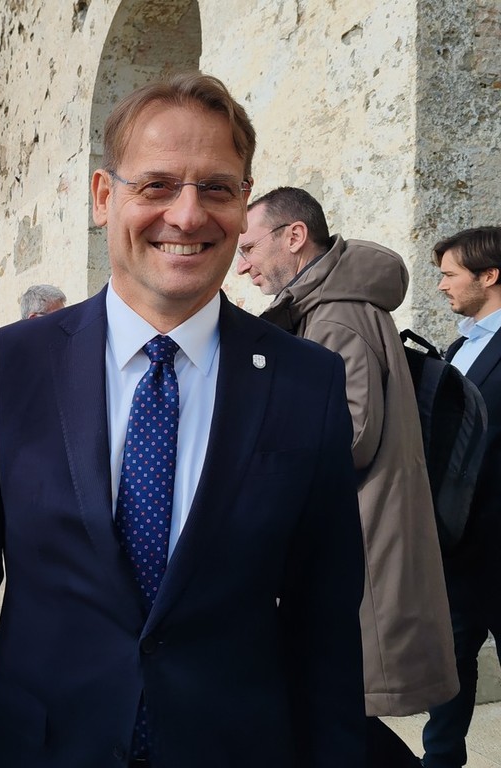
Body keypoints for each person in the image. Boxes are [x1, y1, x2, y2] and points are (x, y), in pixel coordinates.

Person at [0, 73, 366, 768]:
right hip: (41, 746)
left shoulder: (307, 380)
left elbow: (324, 610)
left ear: (243, 205)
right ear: (103, 197)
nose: (188, 215)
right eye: (157, 185)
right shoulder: (14, 364)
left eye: (217, 188)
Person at [237, 187, 458, 766]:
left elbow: (351, 437)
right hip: (357, 534)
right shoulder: (331, 307)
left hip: (360, 539)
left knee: (335, 710)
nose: (242, 265)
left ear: (294, 236)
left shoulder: (335, 315)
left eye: (249, 247)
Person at [423, 226, 501, 768]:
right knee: (448, 664)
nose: (442, 285)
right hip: (457, 544)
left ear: (489, 275)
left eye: (450, 274)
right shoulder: (459, 346)